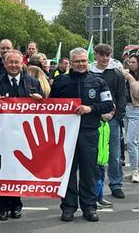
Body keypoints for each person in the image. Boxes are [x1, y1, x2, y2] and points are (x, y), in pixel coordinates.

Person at [50, 47, 114, 222]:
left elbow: (108, 105)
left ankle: (89, 207)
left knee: (89, 172)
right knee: (68, 172)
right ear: (70, 62)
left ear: (88, 61)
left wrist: (90, 109)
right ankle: (69, 207)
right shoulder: (60, 82)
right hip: (66, 136)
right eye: (77, 61)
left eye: (84, 61)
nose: (81, 64)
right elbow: (50, 107)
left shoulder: (98, 81)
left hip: (89, 133)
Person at [0, 50, 43, 221]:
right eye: (10, 62)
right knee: (2, 172)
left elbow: (47, 108)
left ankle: (16, 205)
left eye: (17, 62)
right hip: (0, 136)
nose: (14, 65)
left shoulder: (32, 82)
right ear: (4, 63)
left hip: (23, 136)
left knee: (18, 172)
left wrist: (40, 100)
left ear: (22, 64)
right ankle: (1, 207)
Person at [90, 43, 127, 199]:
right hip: (93, 118)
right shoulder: (89, 72)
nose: (105, 58)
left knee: (115, 154)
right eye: (102, 55)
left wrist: (117, 117)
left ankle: (116, 184)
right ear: (96, 55)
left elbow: (121, 97)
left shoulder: (117, 74)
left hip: (112, 119)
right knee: (94, 153)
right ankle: (95, 184)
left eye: (108, 55)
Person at [122, 54, 139, 183]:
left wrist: (131, 78)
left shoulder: (131, 76)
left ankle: (135, 170)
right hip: (125, 109)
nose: (131, 64)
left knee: (131, 141)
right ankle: (135, 168)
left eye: (133, 62)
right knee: (132, 141)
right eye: (129, 62)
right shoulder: (126, 74)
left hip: (135, 110)